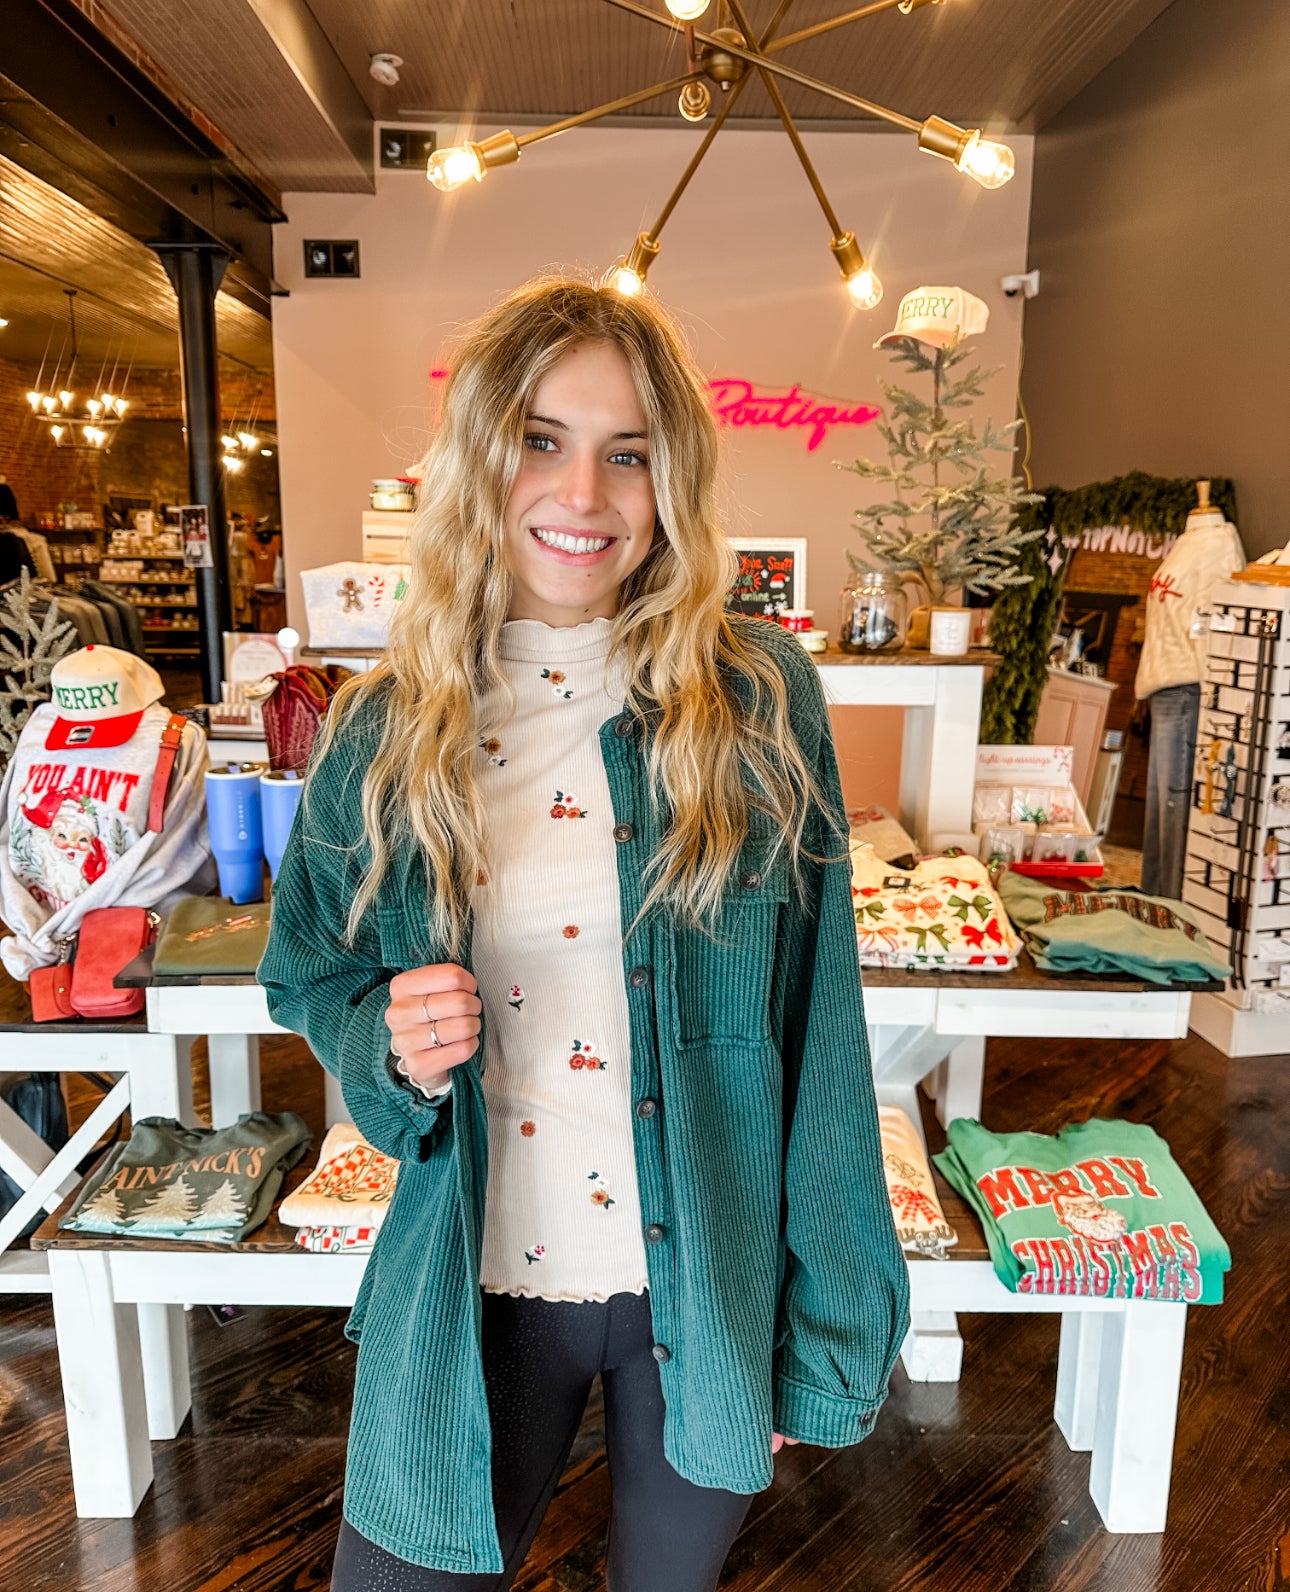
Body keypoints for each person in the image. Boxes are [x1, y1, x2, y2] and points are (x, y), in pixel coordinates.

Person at [259, 276, 909, 1592]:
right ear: (480, 457)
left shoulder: (756, 698)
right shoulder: (385, 726)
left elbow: (818, 1028)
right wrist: (382, 1040)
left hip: (707, 1299)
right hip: (473, 1294)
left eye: (629, 454)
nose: (584, 496)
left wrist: (827, 1334)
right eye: (542, 442)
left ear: (673, 478)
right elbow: (310, 974)